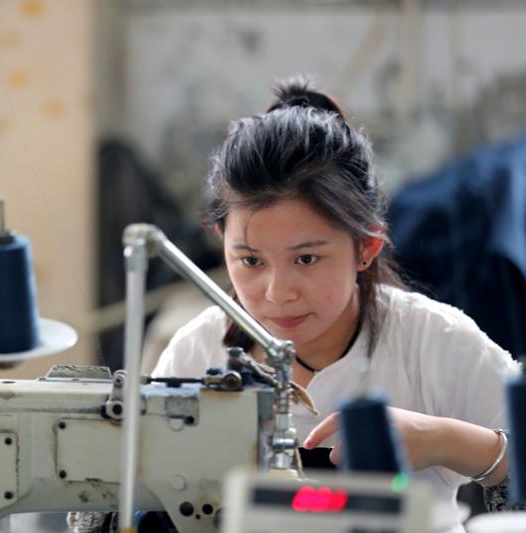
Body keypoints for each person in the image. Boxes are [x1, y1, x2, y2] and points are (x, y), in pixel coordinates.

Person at [151, 78, 520, 531]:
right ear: (220, 240)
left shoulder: (432, 341)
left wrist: (445, 440)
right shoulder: (197, 350)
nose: (278, 292)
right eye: (250, 260)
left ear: (366, 247)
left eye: (306, 259)